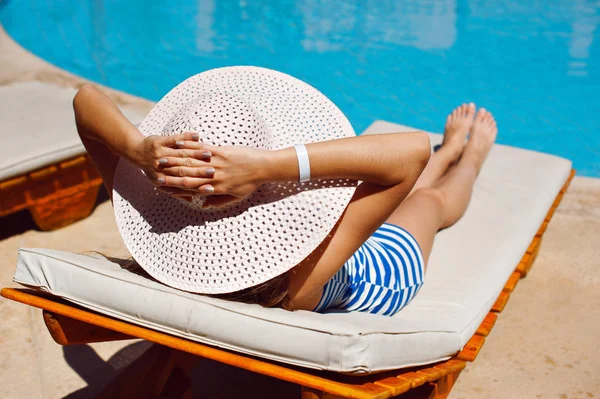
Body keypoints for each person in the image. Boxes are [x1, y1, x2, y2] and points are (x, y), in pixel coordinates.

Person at [73, 69, 497, 316]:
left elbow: (85, 100)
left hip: (321, 250)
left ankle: (447, 159)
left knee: (387, 189)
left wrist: (137, 150)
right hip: (377, 272)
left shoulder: (159, 245)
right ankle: (470, 157)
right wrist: (265, 166)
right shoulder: (291, 287)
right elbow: (411, 152)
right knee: (427, 201)